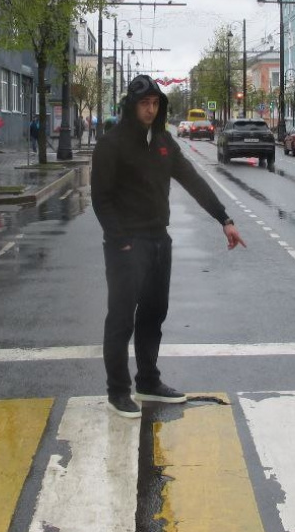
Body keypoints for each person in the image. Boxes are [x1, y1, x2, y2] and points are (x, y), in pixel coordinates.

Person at [91, 74, 246, 419]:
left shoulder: (163, 141)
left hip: (160, 240)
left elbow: (191, 179)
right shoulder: (111, 144)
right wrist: (121, 242)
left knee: (153, 314)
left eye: (155, 103)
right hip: (127, 245)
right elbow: (101, 199)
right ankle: (117, 391)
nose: (150, 109)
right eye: (144, 104)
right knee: (121, 319)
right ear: (131, 106)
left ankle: (148, 380)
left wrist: (224, 219)